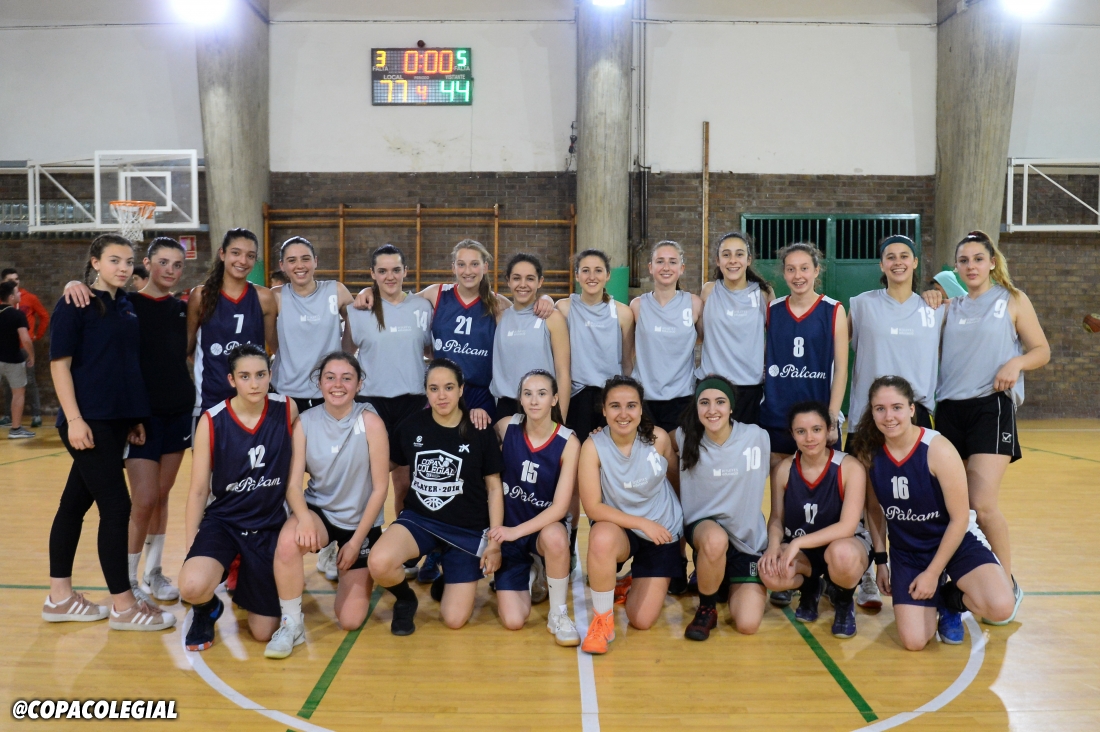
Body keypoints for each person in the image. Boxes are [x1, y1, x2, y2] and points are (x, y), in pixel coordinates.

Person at [353, 239, 550, 584]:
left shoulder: (498, 304)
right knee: (422, 474)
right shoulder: (436, 295)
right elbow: (398, 299)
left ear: (485, 267)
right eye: (461, 264)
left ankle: (487, 543)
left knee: (478, 473)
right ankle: (424, 545)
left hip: (478, 397)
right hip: (440, 395)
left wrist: (546, 300)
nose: (468, 270)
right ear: (453, 266)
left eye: (475, 264)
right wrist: (367, 291)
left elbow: (527, 306)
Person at [42, 234, 174, 631]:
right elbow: (59, 365)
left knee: (73, 505)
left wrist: (133, 417)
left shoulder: (125, 305)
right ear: (95, 262)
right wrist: (74, 419)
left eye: (128, 261)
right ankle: (123, 605)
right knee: (117, 507)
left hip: (117, 422)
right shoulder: (75, 302)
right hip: (88, 422)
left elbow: (123, 365)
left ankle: (59, 598)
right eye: (114, 260)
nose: (123, 267)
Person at [62, 237, 196, 603]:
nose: (170, 270)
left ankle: (154, 572)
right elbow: (92, 297)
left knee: (162, 496)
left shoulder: (184, 308)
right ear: (147, 265)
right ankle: (129, 577)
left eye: (177, 265)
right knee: (144, 498)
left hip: (178, 411)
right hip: (140, 416)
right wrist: (73, 283)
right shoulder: (126, 303)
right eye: (163, 262)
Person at [850, 375, 1015, 649]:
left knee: (1001, 606)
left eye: (896, 407)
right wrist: (881, 561)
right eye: (880, 409)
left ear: (911, 409)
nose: (889, 416)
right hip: (909, 551)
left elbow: (960, 519)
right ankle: (936, 598)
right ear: (872, 412)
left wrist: (932, 573)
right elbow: (874, 510)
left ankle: (951, 600)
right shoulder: (869, 452)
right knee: (914, 641)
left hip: (956, 542)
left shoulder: (938, 449)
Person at [935, 230, 1049, 624]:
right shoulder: (951, 307)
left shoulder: (1011, 300)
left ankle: (1006, 581)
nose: (971, 266)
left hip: (991, 406)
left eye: (978, 259)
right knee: (949, 505)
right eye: (963, 260)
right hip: (949, 410)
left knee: (981, 504)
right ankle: (954, 580)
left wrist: (1016, 363)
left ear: (992, 262)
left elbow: (1041, 350)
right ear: (956, 267)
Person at [266, 352, 390, 659]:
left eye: (347, 378)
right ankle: (292, 624)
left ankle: (349, 558)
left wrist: (356, 541)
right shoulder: (305, 422)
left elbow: (380, 489)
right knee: (288, 542)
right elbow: (293, 485)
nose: (338, 385)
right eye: (330, 377)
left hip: (360, 521)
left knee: (350, 620)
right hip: (320, 511)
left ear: (359, 384)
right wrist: (305, 519)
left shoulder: (371, 422)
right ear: (319, 383)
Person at [367, 358, 505, 635]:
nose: (441, 395)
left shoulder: (479, 429)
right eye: (434, 388)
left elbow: (494, 488)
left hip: (467, 528)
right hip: (420, 519)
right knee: (379, 562)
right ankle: (406, 599)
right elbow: (388, 463)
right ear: (426, 392)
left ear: (461, 389)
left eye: (449, 387)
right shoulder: (411, 426)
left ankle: (449, 574)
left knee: (454, 619)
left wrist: (494, 543)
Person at [179, 344, 300, 651]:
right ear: (232, 380)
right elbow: (198, 490)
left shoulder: (287, 409)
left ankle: (245, 574)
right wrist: (192, 545)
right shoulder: (212, 420)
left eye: (261, 375)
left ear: (270, 375)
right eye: (245, 376)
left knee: (262, 632)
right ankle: (206, 608)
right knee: (191, 585)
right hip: (225, 522)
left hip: (268, 526)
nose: (254, 383)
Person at [847, 234, 944, 610]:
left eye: (905, 255)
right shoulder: (862, 305)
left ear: (916, 263)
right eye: (890, 256)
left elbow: (970, 286)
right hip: (867, 417)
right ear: (881, 264)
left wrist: (940, 288)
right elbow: (837, 347)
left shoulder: (935, 307)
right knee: (866, 498)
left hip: (916, 418)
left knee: (916, 499)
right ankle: (868, 574)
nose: (898, 261)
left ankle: (926, 570)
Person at [578, 376, 684, 655]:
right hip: (624, 528)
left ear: (640, 408)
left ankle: (630, 581)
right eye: (615, 406)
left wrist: (680, 542)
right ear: (604, 410)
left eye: (631, 406)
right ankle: (602, 622)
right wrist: (641, 523)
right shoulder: (593, 446)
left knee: (641, 620)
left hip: (662, 531)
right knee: (600, 536)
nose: (623, 414)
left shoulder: (659, 439)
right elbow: (593, 508)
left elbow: (676, 484)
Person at [760, 401, 870, 638]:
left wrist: (797, 543)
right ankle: (811, 587)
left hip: (844, 545)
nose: (809, 438)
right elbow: (777, 518)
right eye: (801, 431)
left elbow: (847, 527)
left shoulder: (849, 467)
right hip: (805, 550)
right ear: (792, 434)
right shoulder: (783, 469)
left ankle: (844, 600)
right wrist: (773, 547)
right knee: (769, 572)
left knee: (843, 555)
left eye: (816, 429)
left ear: (829, 429)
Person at [672, 375, 769, 641]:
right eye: (704, 402)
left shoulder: (756, 436)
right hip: (706, 532)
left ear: (731, 407)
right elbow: (654, 441)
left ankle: (722, 579)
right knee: (715, 540)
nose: (712, 409)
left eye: (720, 402)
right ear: (696, 407)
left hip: (746, 541)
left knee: (747, 624)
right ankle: (707, 608)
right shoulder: (684, 436)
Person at [630, 240, 703, 595]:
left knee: (679, 483)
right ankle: (649, 557)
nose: (665, 267)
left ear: (682, 268)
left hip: (682, 402)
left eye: (672, 261)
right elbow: (627, 353)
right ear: (650, 267)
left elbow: (710, 343)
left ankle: (682, 559)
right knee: (648, 482)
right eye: (659, 261)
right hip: (646, 403)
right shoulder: (637, 306)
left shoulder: (694, 304)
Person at [555, 248, 636, 569]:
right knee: (573, 477)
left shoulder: (623, 313)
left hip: (609, 402)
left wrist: (626, 405)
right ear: (576, 275)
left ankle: (608, 550)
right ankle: (570, 543)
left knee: (607, 477)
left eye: (598, 270)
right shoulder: (563, 308)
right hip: (575, 399)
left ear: (608, 275)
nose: (591, 276)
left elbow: (627, 363)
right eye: (585, 270)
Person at [345, 244, 432, 538]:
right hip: (372, 403)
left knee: (405, 482)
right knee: (369, 478)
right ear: (372, 273)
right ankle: (367, 536)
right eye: (382, 271)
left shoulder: (422, 308)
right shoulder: (358, 310)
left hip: (413, 402)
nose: (390, 276)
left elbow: (430, 350)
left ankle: (403, 538)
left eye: (396, 270)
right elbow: (346, 356)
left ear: (406, 271)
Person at [491, 369, 581, 645]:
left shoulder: (568, 442)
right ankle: (533, 567)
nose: (534, 400)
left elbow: (559, 508)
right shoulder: (506, 426)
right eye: (527, 394)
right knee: (513, 621)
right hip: (510, 532)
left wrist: (514, 532)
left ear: (554, 399)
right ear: (519, 398)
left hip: (541, 529)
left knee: (555, 537)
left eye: (542, 394)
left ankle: (558, 614)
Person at [187, 227, 278, 416]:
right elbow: (187, 347)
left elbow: (276, 348)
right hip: (210, 400)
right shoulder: (201, 295)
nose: (243, 261)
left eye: (250, 256)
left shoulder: (264, 297)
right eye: (236, 253)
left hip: (252, 399)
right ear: (222, 254)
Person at [270, 236, 355, 414]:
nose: (300, 265)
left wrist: (344, 354)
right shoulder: (275, 296)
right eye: (292, 260)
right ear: (282, 265)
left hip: (328, 390)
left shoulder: (336, 290)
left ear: (315, 261)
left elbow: (357, 323)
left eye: (305, 259)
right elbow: (271, 340)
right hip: (286, 390)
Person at [697, 232, 773, 425]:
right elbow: (701, 335)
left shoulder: (763, 293)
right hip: (713, 385)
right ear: (718, 261)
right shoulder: (708, 291)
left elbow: (773, 339)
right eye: (726, 254)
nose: (733, 260)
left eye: (739, 254)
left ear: (748, 260)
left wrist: (759, 362)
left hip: (750, 388)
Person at [490, 253, 571, 425]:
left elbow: (563, 373)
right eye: (516, 278)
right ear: (508, 281)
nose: (523, 284)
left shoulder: (552, 318)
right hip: (506, 407)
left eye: (530, 278)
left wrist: (560, 420)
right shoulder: (499, 317)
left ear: (540, 282)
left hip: (541, 405)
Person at [1, 268, 48, 429]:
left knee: (30, 382)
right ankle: (9, 416)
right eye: (10, 280)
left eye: (16, 279)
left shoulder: (29, 298)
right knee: (8, 385)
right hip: (6, 350)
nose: (15, 282)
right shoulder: (3, 303)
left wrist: (37, 335)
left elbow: (44, 316)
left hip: (23, 348)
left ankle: (36, 414)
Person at [0, 281, 35, 438]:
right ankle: (15, 429)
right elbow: (26, 339)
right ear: (11, 297)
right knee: (18, 393)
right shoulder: (17, 315)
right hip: (13, 360)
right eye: (17, 292)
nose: (20, 294)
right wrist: (31, 356)